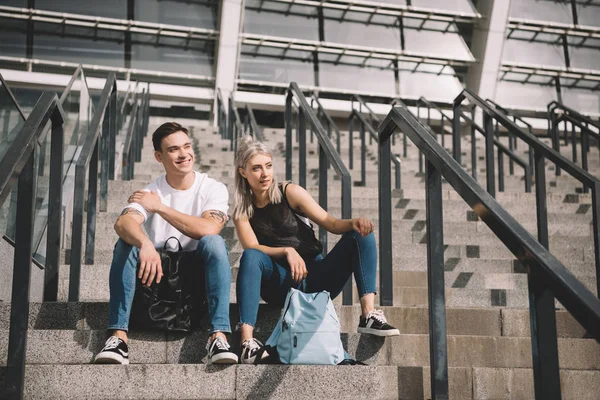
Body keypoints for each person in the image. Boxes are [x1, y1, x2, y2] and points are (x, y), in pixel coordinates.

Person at [232, 136, 399, 365]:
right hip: (279, 282)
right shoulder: (243, 210)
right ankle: (247, 343)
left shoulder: (290, 192)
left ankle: (368, 314)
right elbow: (252, 247)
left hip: (316, 277)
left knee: (361, 234)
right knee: (251, 256)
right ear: (243, 172)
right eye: (256, 168)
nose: (265, 174)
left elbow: (329, 222)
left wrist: (352, 223)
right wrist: (286, 251)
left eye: (268, 166)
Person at [94, 122, 238, 365]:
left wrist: (159, 207)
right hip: (158, 278)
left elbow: (209, 228)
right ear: (159, 157)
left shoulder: (213, 188)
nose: (184, 154)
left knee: (214, 243)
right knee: (126, 244)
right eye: (173, 150)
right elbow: (123, 224)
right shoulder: (151, 190)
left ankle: (218, 335)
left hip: (195, 279)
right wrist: (145, 243)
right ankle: (118, 337)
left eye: (187, 146)